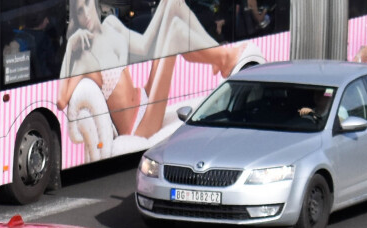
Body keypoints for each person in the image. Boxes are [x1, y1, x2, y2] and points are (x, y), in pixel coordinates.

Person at [58, 0, 260, 141]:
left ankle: (220, 57)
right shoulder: (82, 55)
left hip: (145, 96)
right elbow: (61, 100)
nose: (86, 14)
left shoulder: (111, 26)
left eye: (87, 5)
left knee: (172, 3)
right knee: (175, 35)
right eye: (79, 11)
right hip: (139, 125)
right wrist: (70, 46)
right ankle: (223, 58)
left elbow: (146, 47)